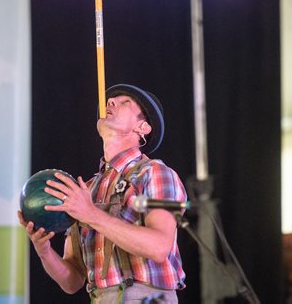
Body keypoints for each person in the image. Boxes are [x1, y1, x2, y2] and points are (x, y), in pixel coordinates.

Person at [18, 84, 187, 303]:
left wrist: (90, 214)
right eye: (109, 101)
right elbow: (72, 282)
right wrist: (44, 251)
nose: (110, 103)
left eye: (124, 102)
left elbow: (158, 247)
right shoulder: (85, 190)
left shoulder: (155, 172)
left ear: (143, 127)